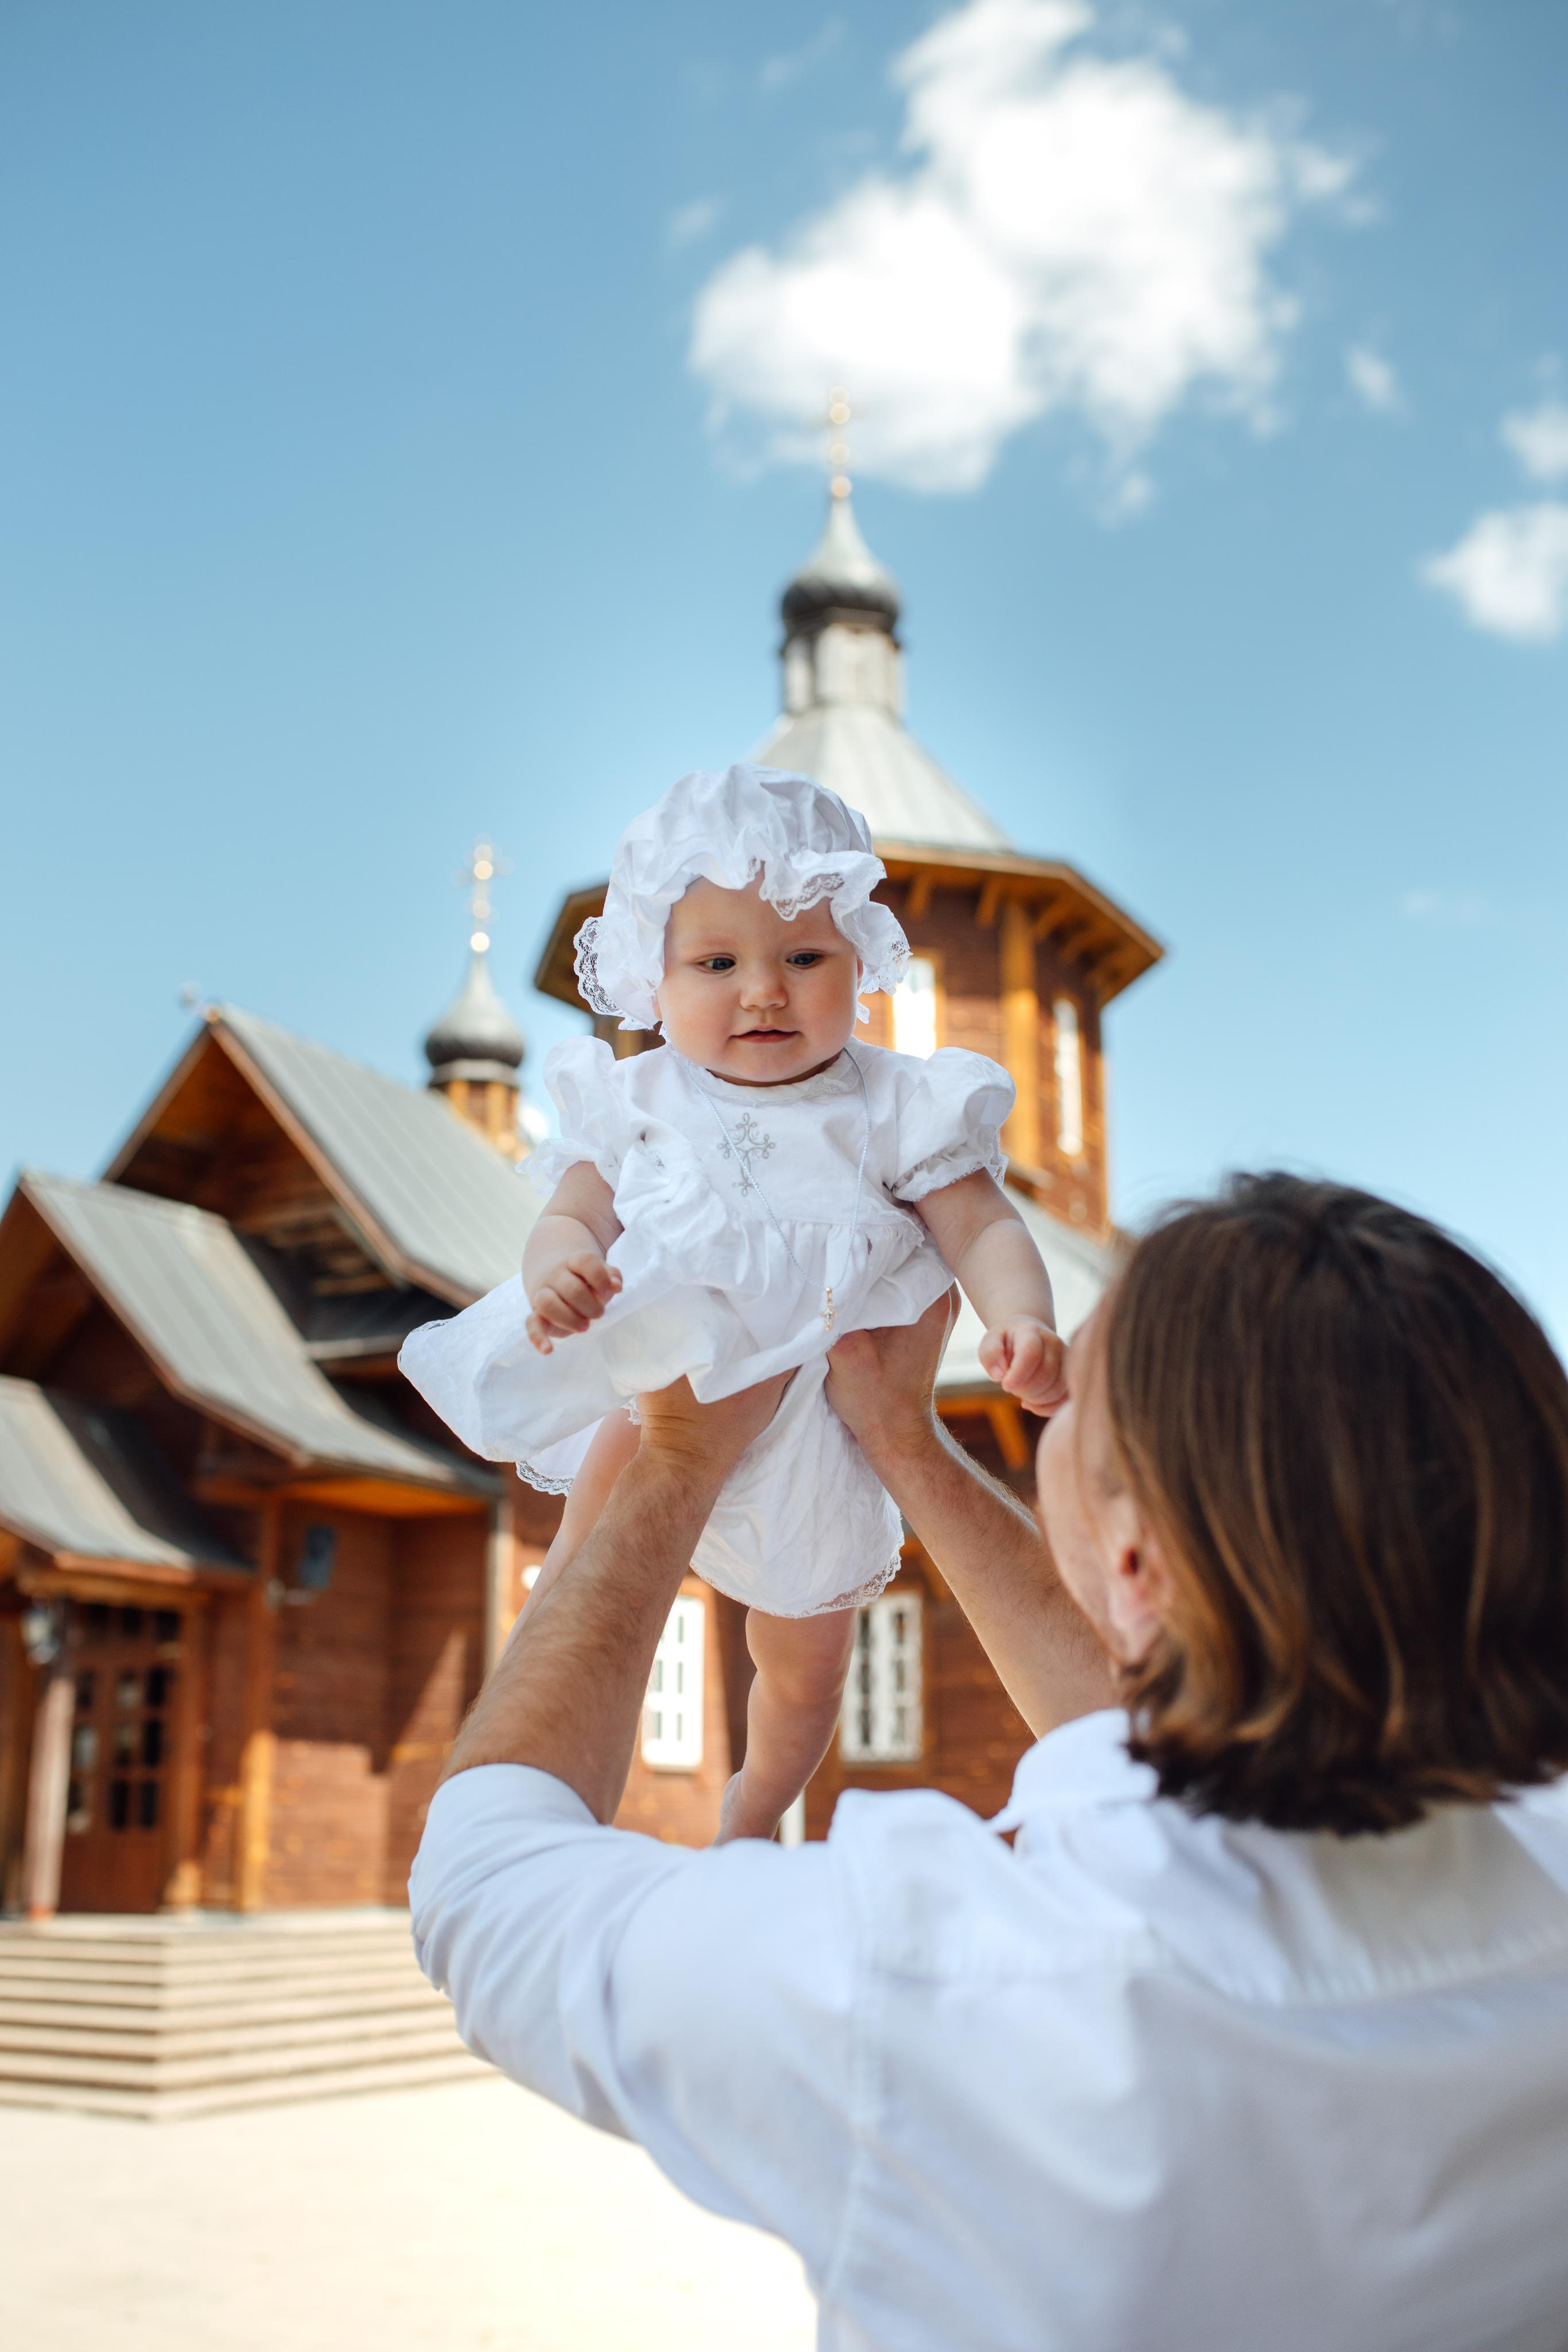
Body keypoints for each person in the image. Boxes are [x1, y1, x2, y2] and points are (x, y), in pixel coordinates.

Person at [410, 1174, 1568, 2351]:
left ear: (1134, 1567)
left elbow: (487, 1884)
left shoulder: (932, 1980)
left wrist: (672, 1464)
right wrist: (902, 1440)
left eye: (1071, 1417)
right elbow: (1179, 1717)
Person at [401, 763, 1065, 1841]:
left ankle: (755, 1805)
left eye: (803, 959)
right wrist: (560, 1272)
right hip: (664, 1392)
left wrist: (1020, 1318)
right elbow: (571, 1214)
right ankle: (541, 1802)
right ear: (653, 981)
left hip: (822, 1434)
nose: (763, 991)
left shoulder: (896, 1103)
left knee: (804, 1666)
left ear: (860, 963)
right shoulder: (641, 1098)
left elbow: (983, 1227)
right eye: (717, 964)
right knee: (581, 1581)